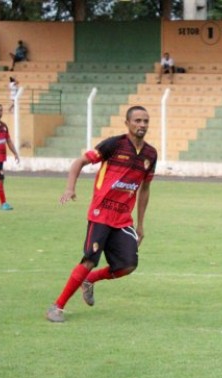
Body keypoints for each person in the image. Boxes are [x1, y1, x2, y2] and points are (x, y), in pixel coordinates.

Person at [46, 106, 157, 323]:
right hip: (101, 214)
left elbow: (145, 188)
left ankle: (90, 280)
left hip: (123, 219)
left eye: (145, 121)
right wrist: (70, 188)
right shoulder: (114, 144)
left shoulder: (150, 154)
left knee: (128, 265)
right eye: (137, 120)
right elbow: (79, 162)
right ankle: (57, 306)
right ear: (127, 123)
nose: (142, 125)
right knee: (89, 260)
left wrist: (141, 224)